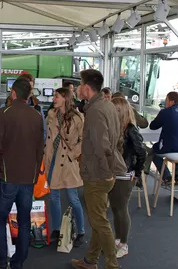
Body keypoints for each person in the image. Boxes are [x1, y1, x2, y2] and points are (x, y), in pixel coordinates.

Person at [0, 78, 44, 269]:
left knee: (0, 221)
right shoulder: (36, 116)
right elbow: (40, 149)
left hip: (7, 177)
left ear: (13, 93)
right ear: (29, 95)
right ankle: (17, 264)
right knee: (24, 223)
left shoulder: (3, 114)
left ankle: (0, 263)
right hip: (28, 178)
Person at [71, 69, 126, 269]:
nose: (78, 88)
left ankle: (112, 265)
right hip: (104, 171)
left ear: (87, 88)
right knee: (98, 218)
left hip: (98, 174)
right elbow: (117, 139)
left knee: (100, 223)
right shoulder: (107, 105)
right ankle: (90, 260)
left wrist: (106, 172)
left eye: (80, 84)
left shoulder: (94, 111)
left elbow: (102, 146)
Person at [45, 88, 85, 247]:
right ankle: (56, 229)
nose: (54, 99)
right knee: (53, 197)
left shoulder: (77, 117)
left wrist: (73, 154)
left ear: (65, 99)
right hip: (53, 159)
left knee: (73, 198)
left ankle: (81, 231)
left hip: (68, 161)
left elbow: (84, 140)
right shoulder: (51, 115)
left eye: (57, 96)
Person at [109, 97, 147, 259]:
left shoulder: (131, 129)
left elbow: (142, 152)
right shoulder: (115, 128)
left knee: (121, 209)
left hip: (126, 175)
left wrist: (137, 173)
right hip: (114, 174)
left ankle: (123, 243)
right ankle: (118, 240)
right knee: (116, 208)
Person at [144, 91, 178, 186]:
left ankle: (167, 177)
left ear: (172, 101)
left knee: (154, 152)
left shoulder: (165, 112)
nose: (166, 102)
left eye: (166, 100)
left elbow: (153, 126)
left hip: (172, 150)